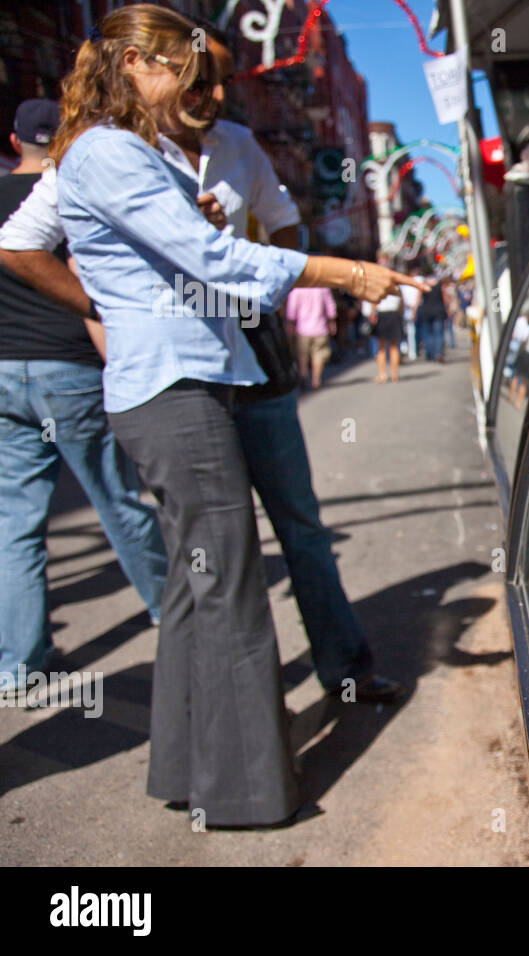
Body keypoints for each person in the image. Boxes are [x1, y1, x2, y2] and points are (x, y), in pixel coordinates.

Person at [47, 5, 426, 827]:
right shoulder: (111, 151)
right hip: (172, 384)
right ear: (139, 66)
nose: (202, 89)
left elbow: (192, 248)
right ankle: (247, 792)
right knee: (231, 589)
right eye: (186, 70)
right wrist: (348, 274)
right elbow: (211, 260)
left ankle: (186, 768)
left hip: (191, 375)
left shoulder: (121, 151)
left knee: (196, 584)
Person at [0, 99, 168, 684]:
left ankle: (19, 665)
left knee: (16, 521)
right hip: (66, 368)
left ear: (15, 140)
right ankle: (175, 617)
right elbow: (93, 273)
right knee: (116, 500)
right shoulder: (70, 192)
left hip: (4, 372)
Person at [361, 253, 405, 383]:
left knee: (383, 346)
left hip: (383, 313)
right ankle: (394, 374)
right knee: (393, 346)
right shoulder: (394, 275)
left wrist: (373, 312)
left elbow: (374, 295)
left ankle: (383, 374)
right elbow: (400, 295)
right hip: (392, 312)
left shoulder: (376, 275)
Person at [284, 286, 335, 389]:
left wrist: (290, 323)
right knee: (318, 354)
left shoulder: (298, 289)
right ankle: (316, 379)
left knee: (303, 355)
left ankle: (303, 374)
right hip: (320, 327)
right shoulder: (322, 288)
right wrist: (331, 321)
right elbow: (330, 306)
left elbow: (291, 309)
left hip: (303, 328)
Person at [418, 276, 452, 363]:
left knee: (428, 334)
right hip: (438, 311)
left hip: (426, 312)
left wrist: (414, 311)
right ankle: (438, 353)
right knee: (439, 333)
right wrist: (448, 309)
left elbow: (418, 299)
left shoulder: (424, 285)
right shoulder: (440, 285)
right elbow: (446, 299)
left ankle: (430, 353)